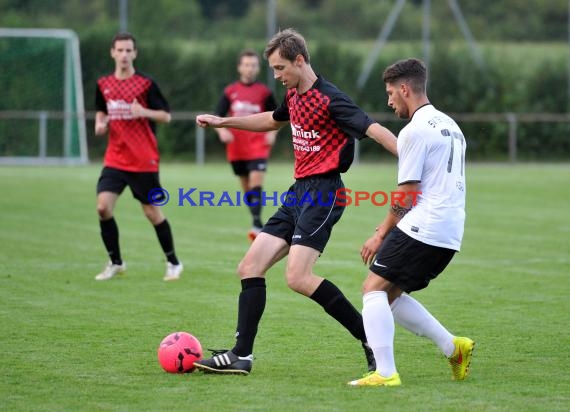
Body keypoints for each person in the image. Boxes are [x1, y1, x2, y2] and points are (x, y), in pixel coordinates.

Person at [194, 28, 398, 375]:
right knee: (249, 267)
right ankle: (242, 355)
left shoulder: (331, 98)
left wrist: (414, 160)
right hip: (298, 193)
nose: (276, 76)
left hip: (324, 194)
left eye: (279, 68)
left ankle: (369, 338)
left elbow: (373, 128)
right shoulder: (293, 97)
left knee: (298, 277)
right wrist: (223, 121)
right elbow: (271, 121)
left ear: (299, 60)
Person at [348, 58, 474, 387]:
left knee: (371, 289)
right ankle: (453, 346)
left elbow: (407, 194)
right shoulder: (451, 125)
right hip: (449, 229)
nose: (389, 101)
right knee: (388, 294)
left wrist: (379, 235)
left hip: (426, 224)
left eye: (391, 93)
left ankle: (385, 373)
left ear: (405, 89)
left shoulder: (414, 131)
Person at [93, 32, 183, 282]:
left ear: (135, 53)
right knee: (103, 207)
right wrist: (100, 124)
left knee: (152, 213)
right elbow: (101, 111)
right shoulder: (103, 84)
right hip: (115, 158)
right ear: (112, 52)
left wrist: (142, 111)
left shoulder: (145, 84)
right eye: (119, 50)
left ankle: (174, 262)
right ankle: (115, 262)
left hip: (143, 160)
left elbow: (166, 116)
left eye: (128, 50)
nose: (124, 55)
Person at [214, 49, 279, 242]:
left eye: (253, 65)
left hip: (258, 145)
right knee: (246, 186)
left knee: (256, 180)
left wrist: (273, 133)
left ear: (258, 68)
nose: (249, 69)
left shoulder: (264, 92)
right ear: (239, 67)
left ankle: (258, 224)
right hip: (236, 147)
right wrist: (222, 131)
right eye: (246, 65)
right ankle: (255, 219)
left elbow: (278, 115)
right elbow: (217, 115)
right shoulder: (230, 91)